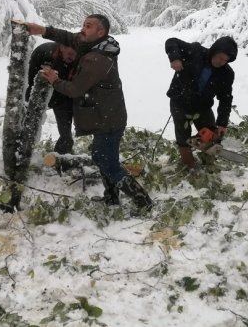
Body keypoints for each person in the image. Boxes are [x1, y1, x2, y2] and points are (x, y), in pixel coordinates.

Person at [24, 15, 153, 211]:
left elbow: (75, 89)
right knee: (101, 157)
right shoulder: (94, 44)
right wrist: (42, 30)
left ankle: (144, 202)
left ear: (100, 32)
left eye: (88, 26)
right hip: (105, 115)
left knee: (108, 163)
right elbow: (68, 37)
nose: (83, 29)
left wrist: (54, 80)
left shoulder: (97, 59)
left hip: (109, 119)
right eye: (83, 24)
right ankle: (111, 198)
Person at [164, 36, 238, 169]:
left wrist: (222, 122)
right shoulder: (196, 51)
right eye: (220, 57)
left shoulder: (227, 73)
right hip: (180, 101)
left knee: (211, 133)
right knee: (183, 134)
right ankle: (189, 164)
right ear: (215, 50)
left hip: (202, 106)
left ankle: (208, 162)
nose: (221, 62)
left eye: (225, 60)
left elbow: (225, 98)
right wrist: (175, 58)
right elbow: (171, 41)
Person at [26, 42, 77, 155]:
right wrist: (29, 99)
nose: (72, 57)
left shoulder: (77, 59)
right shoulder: (43, 52)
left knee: (66, 134)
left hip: (62, 96)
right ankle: (25, 153)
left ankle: (61, 158)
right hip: (39, 92)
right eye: (69, 54)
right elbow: (30, 79)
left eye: (75, 55)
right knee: (29, 127)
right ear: (62, 47)